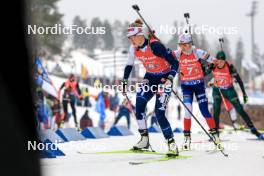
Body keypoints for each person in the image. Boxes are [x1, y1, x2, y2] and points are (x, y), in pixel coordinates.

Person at [122, 19, 179, 156]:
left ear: (140, 35)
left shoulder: (155, 46)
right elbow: (129, 65)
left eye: (132, 37)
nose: (131, 41)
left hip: (164, 79)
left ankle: (171, 144)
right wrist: (124, 82)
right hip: (150, 77)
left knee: (159, 113)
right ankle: (144, 140)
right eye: (129, 38)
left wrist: (170, 79)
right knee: (139, 103)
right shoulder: (133, 49)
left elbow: (175, 63)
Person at [173, 33, 219, 150]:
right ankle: (187, 138)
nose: (182, 47)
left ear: (190, 44)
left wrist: (209, 68)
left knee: (204, 110)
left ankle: (215, 136)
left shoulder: (197, 52)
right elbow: (166, 56)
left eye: (184, 45)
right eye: (180, 45)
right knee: (188, 111)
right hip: (186, 87)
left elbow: (214, 61)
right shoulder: (178, 53)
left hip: (198, 86)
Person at [207, 51, 264, 140]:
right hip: (217, 90)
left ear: (225, 61)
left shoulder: (230, 67)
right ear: (216, 60)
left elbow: (239, 80)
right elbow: (204, 73)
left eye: (222, 61)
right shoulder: (213, 65)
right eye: (219, 61)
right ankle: (216, 134)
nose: (220, 63)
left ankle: (254, 131)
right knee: (216, 109)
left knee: (240, 109)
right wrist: (207, 68)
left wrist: (244, 93)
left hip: (229, 90)